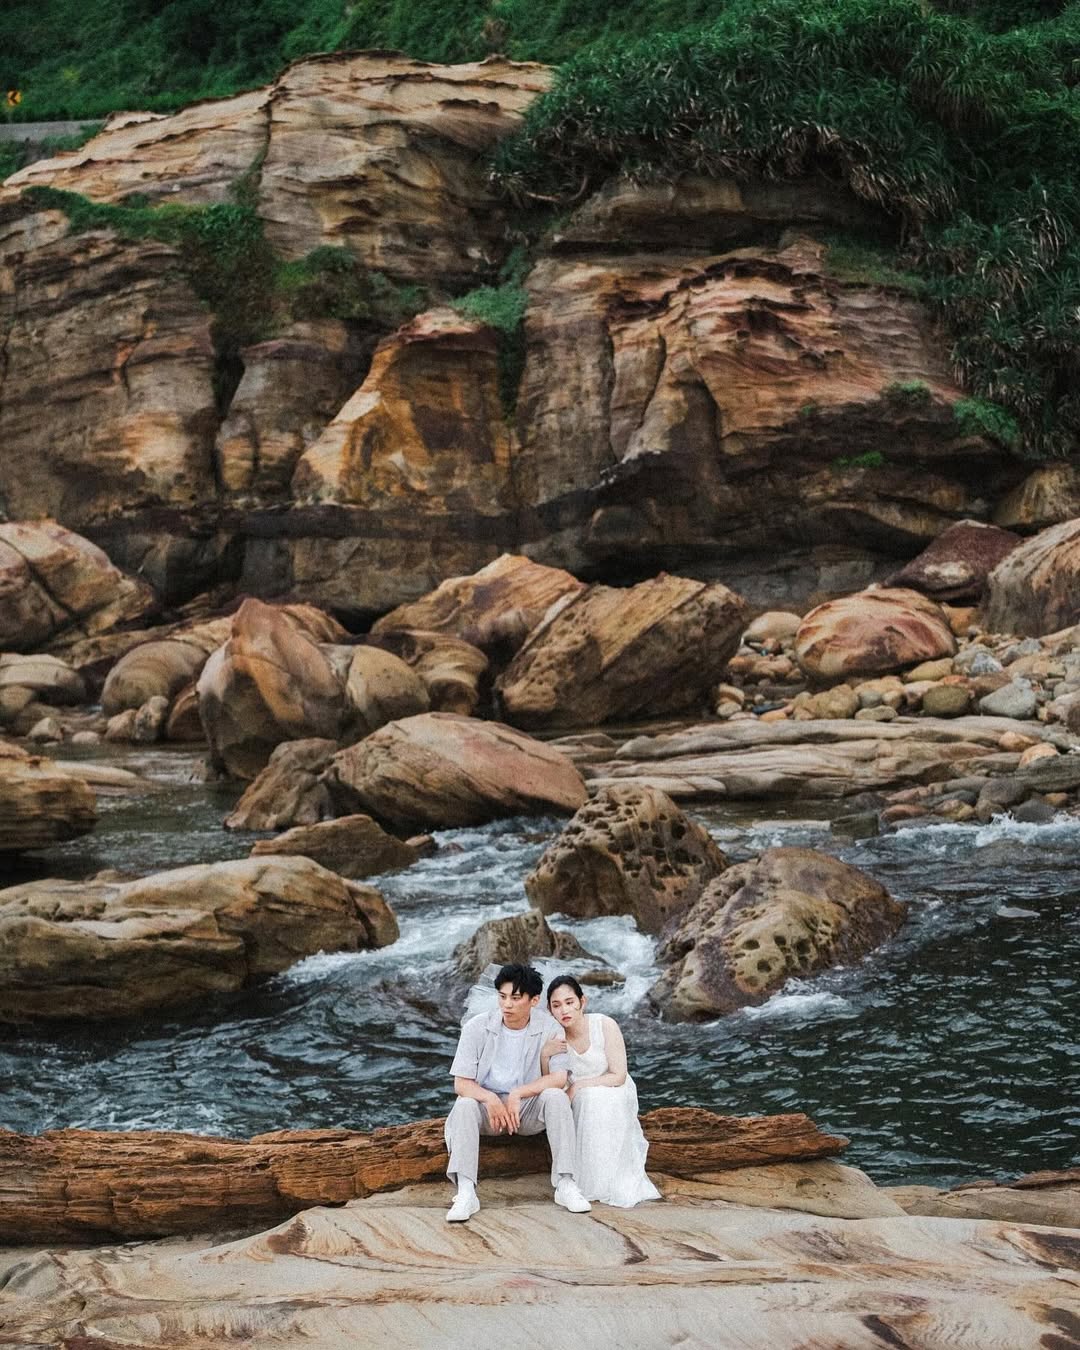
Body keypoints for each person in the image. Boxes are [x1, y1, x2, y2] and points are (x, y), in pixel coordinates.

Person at [444, 962, 593, 1222]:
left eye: (515, 998)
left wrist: (518, 1093)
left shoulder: (550, 1028)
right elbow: (461, 1083)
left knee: (556, 1097)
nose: (507, 1005)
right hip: (488, 1111)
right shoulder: (477, 1027)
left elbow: (558, 1078)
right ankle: (466, 1192)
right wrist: (489, 1097)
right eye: (502, 997)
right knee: (465, 1103)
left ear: (533, 1000)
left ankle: (566, 1184)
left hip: (525, 1108)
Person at [542, 974, 661, 1208]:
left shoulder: (604, 1024)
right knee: (588, 1100)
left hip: (613, 1086)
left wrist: (579, 1085)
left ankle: (611, 1180)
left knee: (595, 1098)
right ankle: (585, 1180)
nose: (564, 1010)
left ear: (582, 1002)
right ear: (550, 1010)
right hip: (577, 1097)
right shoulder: (555, 1038)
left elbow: (618, 1075)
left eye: (569, 1002)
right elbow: (551, 1081)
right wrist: (545, 1054)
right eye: (556, 1005)